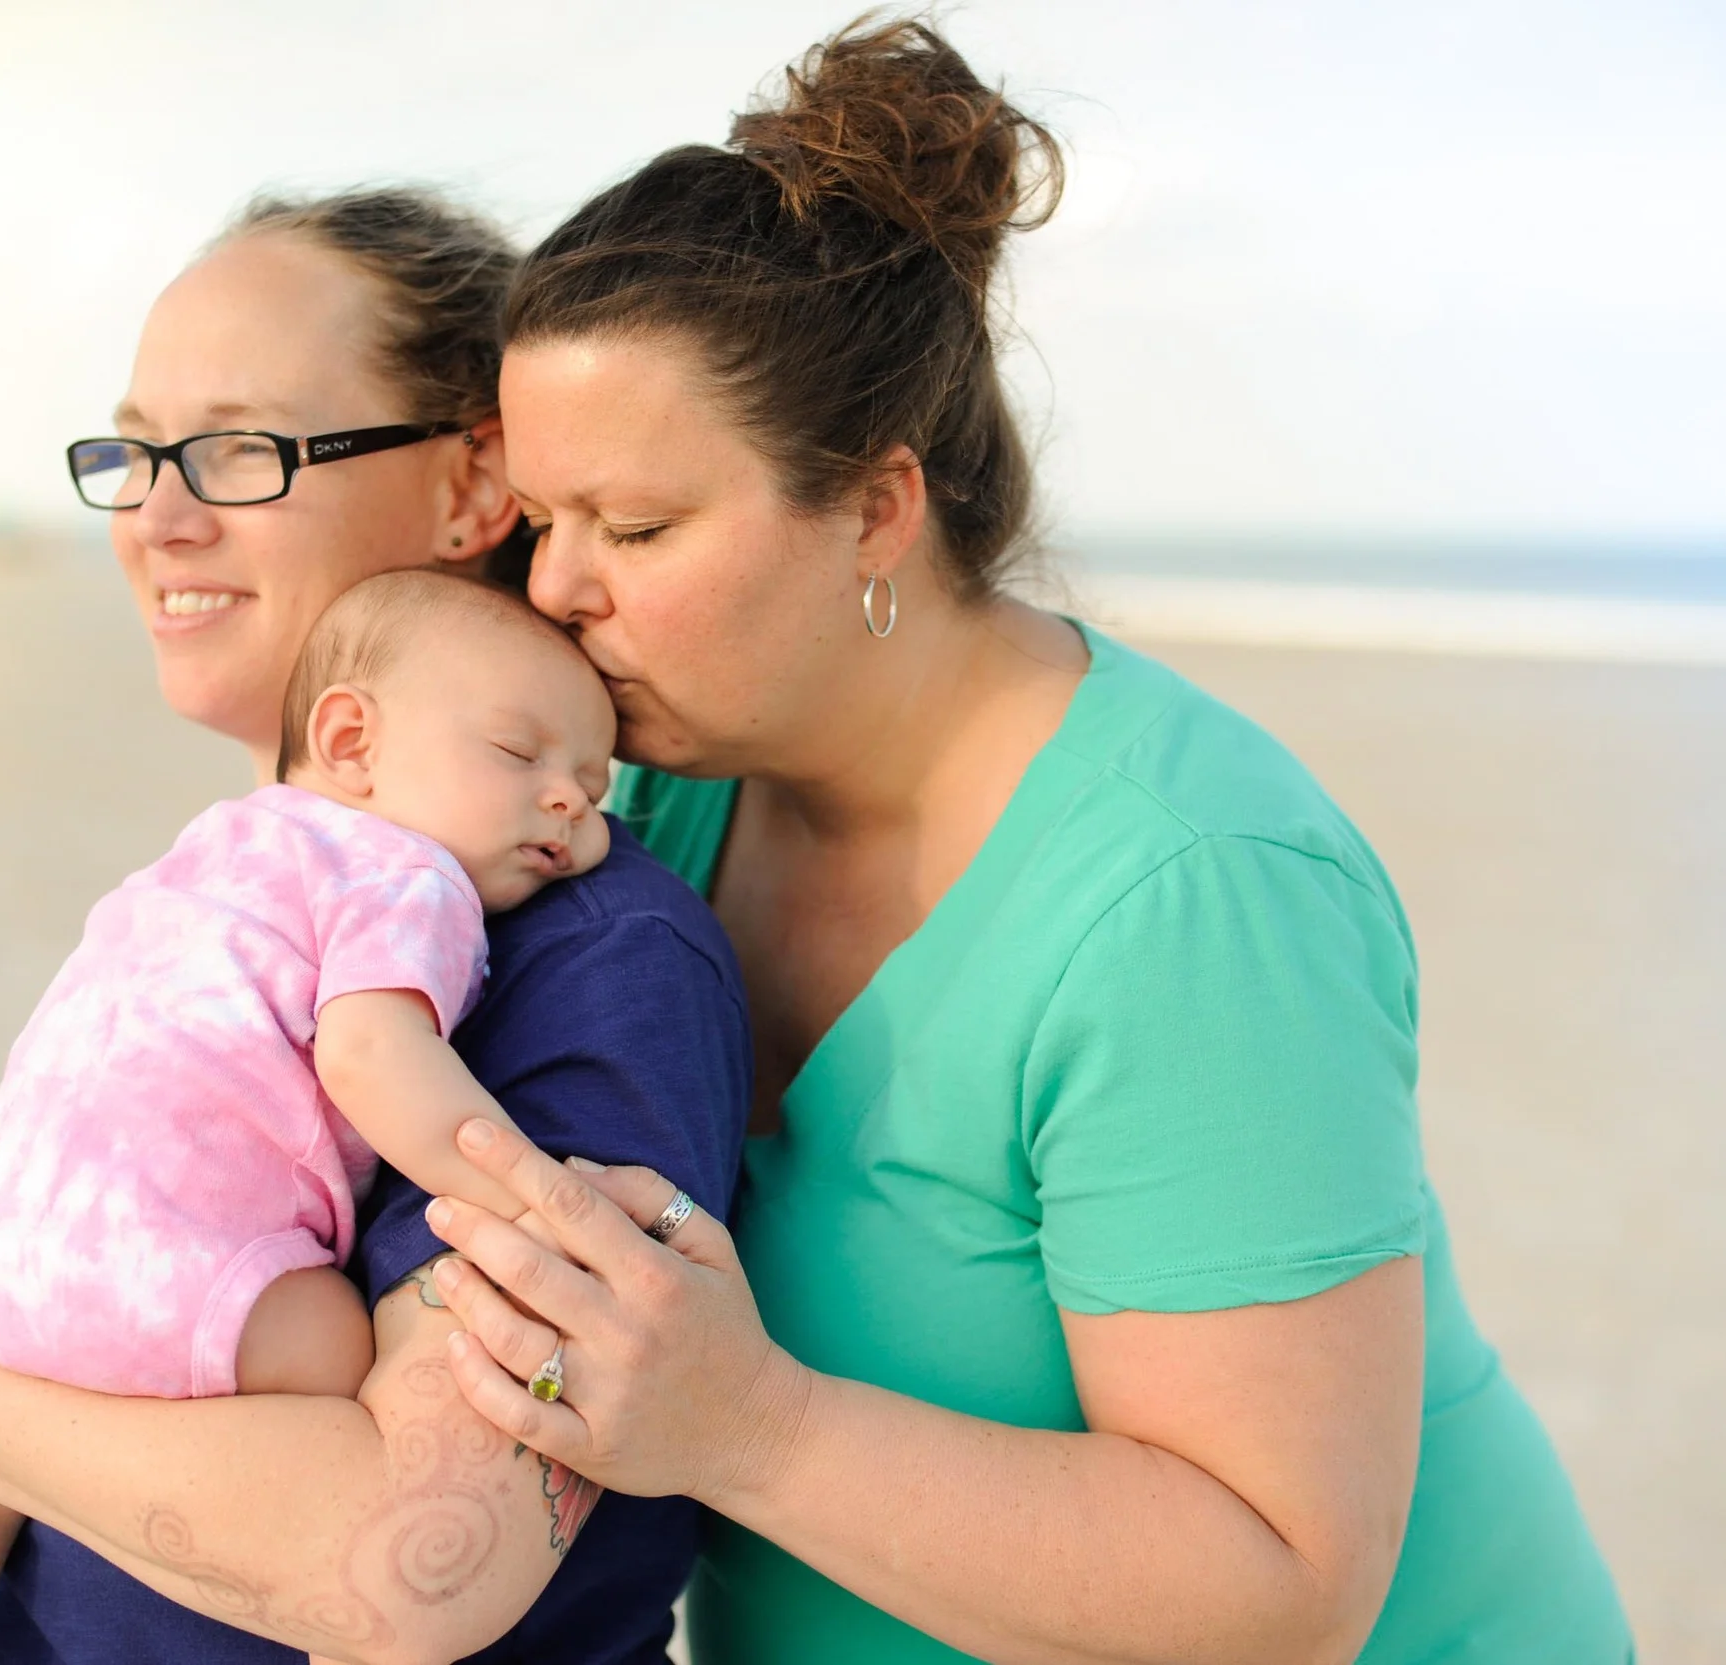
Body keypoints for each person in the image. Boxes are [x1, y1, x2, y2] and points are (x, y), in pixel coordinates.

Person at [402, 18, 1635, 1664]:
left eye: (636, 526)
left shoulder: (1193, 894)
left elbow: (1281, 1586)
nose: (559, 587)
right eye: (544, 520)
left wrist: (743, 1425)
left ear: (877, 508)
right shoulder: (658, 790)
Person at [0, 189, 749, 1665]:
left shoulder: (586, 956)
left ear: (474, 485)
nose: (157, 515)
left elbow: (408, 1565)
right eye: (134, 452)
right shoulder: (228, 888)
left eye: (240, 447)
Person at [0, 571, 618, 1665]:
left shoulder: (223, 839)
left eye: (595, 787)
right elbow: (371, 1055)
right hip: (172, 1267)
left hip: (2, 1243)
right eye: (519, 754)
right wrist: (525, 1193)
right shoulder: (410, 874)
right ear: (351, 741)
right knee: (333, 1351)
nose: (567, 802)